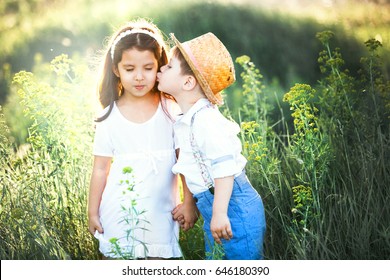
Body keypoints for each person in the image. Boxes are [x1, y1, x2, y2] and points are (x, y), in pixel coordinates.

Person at [88, 18, 197, 260]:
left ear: (160, 67)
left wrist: (189, 201)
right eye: (130, 69)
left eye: (148, 68)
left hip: (161, 215)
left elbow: (185, 162)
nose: (139, 77)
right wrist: (92, 212)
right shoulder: (108, 117)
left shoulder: (171, 110)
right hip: (118, 214)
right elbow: (100, 170)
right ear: (116, 69)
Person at [158, 32, 266, 260]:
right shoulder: (186, 118)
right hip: (215, 209)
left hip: (233, 209)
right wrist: (194, 205)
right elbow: (189, 165)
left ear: (188, 82)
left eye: (168, 66)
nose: (161, 70)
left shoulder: (206, 120)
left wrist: (219, 213)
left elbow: (225, 167)